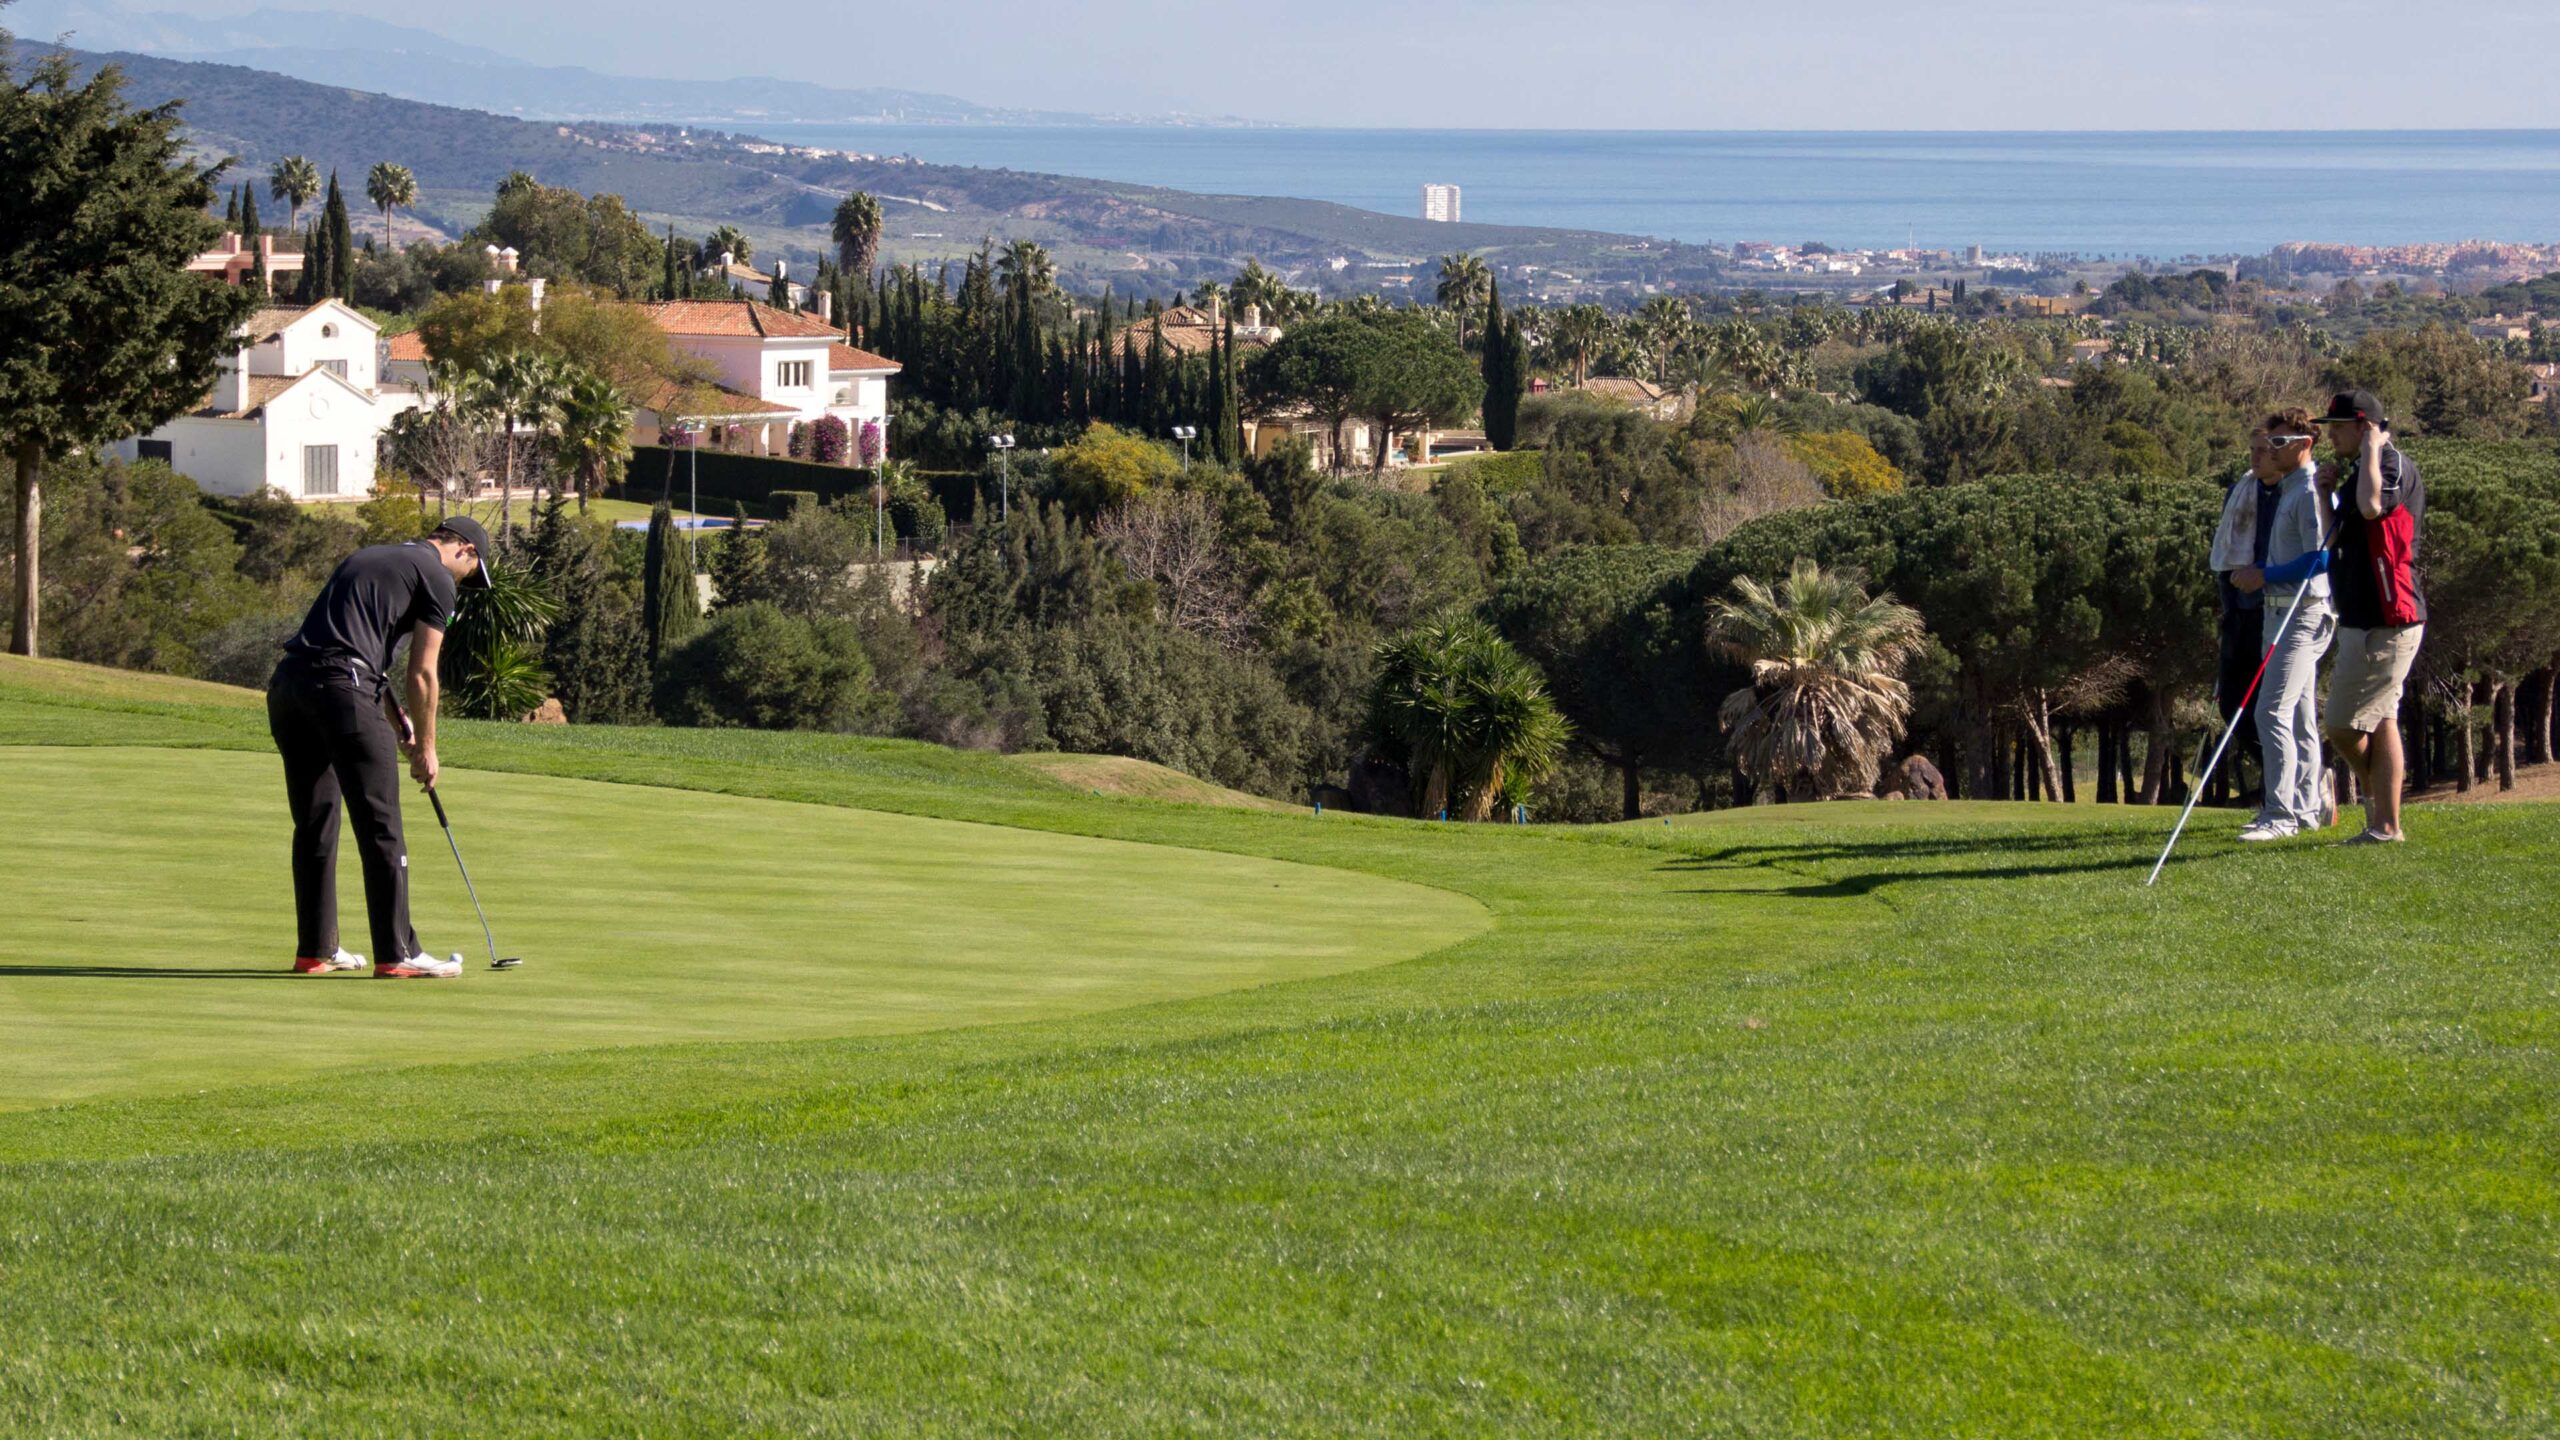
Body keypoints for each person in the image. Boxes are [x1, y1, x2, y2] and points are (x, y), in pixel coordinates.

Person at [267, 517, 491, 978]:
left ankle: (316, 950)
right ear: (465, 550)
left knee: (315, 821)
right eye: (472, 571)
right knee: (381, 824)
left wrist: (397, 722)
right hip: (342, 688)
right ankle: (397, 952)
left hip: (290, 687)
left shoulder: (370, 556)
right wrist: (428, 746)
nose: (465, 581)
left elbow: (358, 651)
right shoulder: (437, 577)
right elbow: (424, 672)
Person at [2315, 390, 2427, 844]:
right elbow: (2333, 537)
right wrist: (2325, 493)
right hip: (2362, 618)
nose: (2330, 434)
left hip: (2390, 617)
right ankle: (2386, 823)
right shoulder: (2363, 470)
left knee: (2341, 725)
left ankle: (2383, 811)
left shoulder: (2390, 464)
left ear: (2366, 427)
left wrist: (2374, 450)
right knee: (2381, 720)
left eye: (2338, 426)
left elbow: (2371, 508)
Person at [2226, 410, 2334, 840]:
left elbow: (2321, 558)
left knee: (2270, 710)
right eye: (2267, 443)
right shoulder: (2288, 489)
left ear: (2304, 443)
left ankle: (2280, 814)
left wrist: (2263, 575)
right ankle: (2306, 808)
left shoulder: (2308, 491)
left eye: (2277, 443)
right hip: (2280, 611)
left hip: (2302, 612)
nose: (2270, 451)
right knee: (2302, 713)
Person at [2207, 423, 2291, 805]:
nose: (2256, 457)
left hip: (2275, 612)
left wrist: (2264, 575)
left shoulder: (2294, 494)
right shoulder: (2239, 492)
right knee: (2232, 706)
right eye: (2252, 449)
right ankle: (2282, 777)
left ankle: (2291, 788)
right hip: (2239, 612)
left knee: (2270, 708)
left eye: (2263, 450)